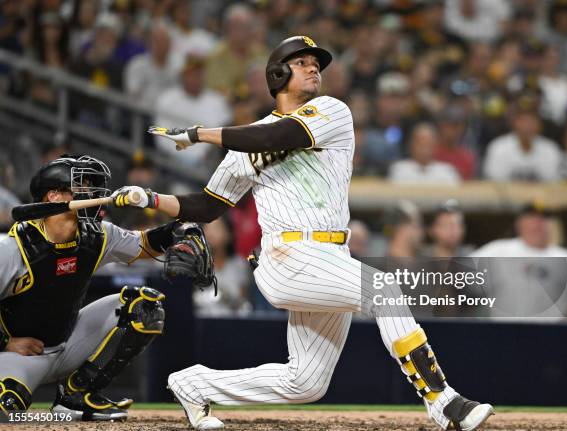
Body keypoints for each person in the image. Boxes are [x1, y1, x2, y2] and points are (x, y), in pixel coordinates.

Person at [112, 36, 494, 431]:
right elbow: (208, 206)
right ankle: (442, 400)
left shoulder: (331, 111)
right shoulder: (245, 140)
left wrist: (198, 134)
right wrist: (150, 197)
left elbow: (277, 137)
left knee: (305, 383)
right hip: (287, 257)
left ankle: (193, 384)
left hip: (332, 258)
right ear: (277, 74)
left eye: (317, 63)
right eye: (302, 62)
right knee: (383, 290)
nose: (315, 68)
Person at [0, 155, 203, 421]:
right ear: (53, 196)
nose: (93, 193)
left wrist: (181, 230)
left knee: (145, 307)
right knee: (7, 412)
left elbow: (145, 244)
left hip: (68, 343)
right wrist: (5, 342)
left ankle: (77, 395)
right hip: (19, 356)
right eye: (81, 186)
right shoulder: (12, 248)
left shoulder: (97, 234)